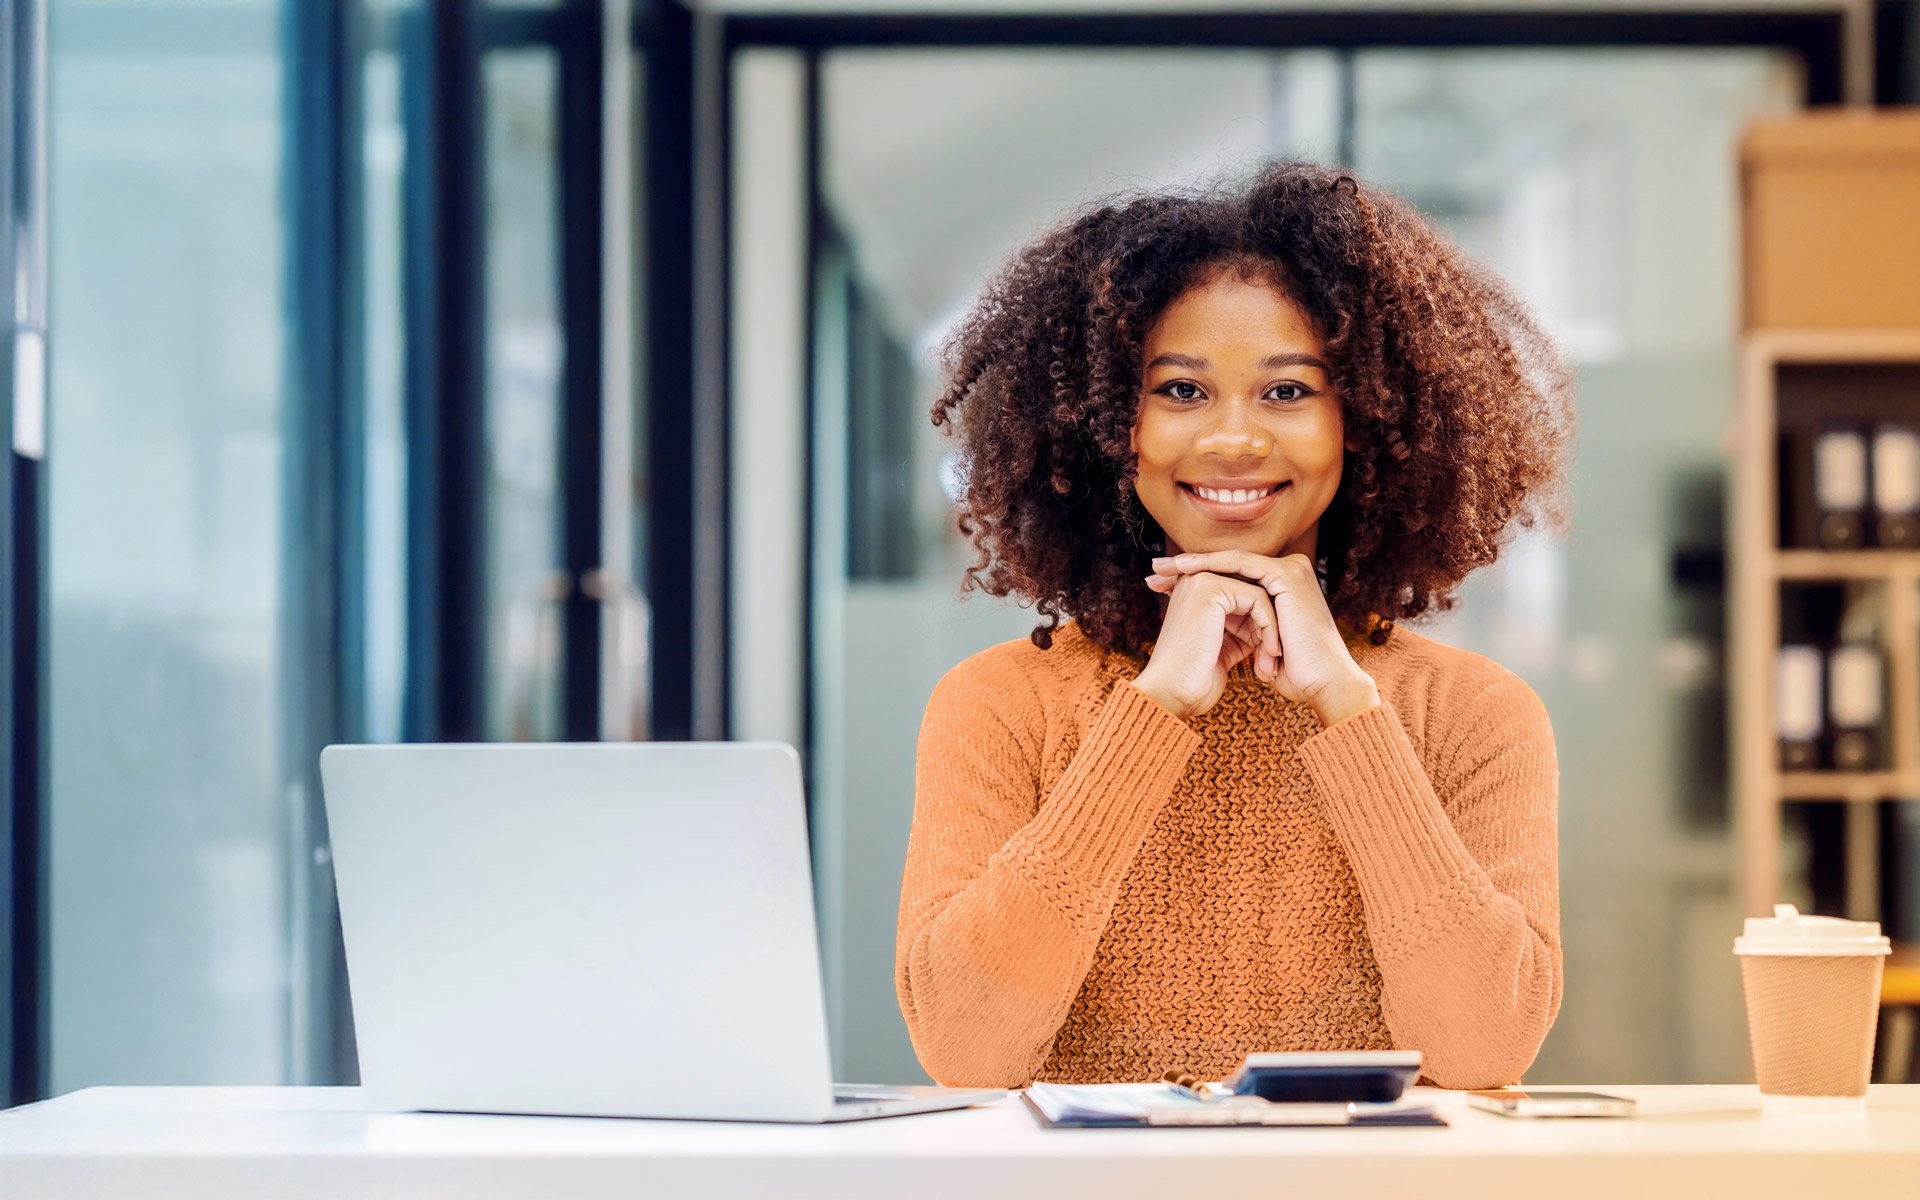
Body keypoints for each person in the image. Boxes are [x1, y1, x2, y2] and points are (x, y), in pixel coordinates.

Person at [894, 160, 1575, 1092]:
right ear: (1102, 424)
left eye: (1288, 392)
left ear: (1366, 422)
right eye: (1179, 391)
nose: (1233, 440)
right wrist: (1155, 708)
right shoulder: (998, 705)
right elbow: (966, 1052)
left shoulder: (1473, 714)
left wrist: (1349, 707)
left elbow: (1483, 1049)